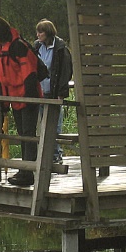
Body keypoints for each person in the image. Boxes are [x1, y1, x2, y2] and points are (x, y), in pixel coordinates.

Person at [0, 16, 44, 186]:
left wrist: (28, 98)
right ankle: (24, 170)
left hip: (26, 97)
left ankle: (27, 172)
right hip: (15, 97)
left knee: (28, 135)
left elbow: (29, 74)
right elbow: (4, 79)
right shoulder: (3, 50)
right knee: (23, 135)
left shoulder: (19, 47)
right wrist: (6, 103)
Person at [33, 19, 73, 164]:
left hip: (54, 91)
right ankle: (45, 154)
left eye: (41, 32)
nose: (38, 34)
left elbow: (65, 72)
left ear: (48, 33)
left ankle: (56, 155)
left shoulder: (61, 49)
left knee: (54, 125)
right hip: (41, 91)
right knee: (43, 125)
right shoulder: (37, 47)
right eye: (37, 31)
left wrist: (61, 93)